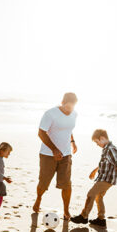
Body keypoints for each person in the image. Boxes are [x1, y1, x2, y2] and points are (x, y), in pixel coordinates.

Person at [33, 92, 78, 220]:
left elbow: (68, 129)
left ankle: (66, 211)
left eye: (73, 107)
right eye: (68, 107)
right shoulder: (50, 114)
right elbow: (41, 133)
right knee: (43, 182)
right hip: (48, 155)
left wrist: (73, 142)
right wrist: (54, 149)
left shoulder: (74, 114)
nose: (70, 110)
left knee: (67, 184)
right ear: (62, 102)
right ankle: (38, 199)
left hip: (66, 155)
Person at [71, 129, 117, 227]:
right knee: (98, 197)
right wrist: (94, 170)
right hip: (103, 178)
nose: (97, 144)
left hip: (106, 179)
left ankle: (84, 216)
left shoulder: (111, 149)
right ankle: (101, 219)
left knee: (91, 194)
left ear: (102, 138)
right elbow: (105, 162)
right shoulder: (106, 149)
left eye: (97, 142)